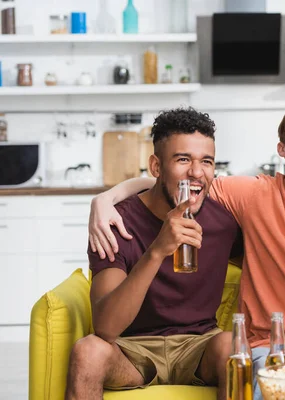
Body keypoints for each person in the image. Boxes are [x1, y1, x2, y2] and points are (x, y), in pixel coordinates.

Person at [88, 97, 285, 400]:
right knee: (252, 376)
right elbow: (182, 181)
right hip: (268, 350)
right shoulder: (252, 194)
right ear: (282, 149)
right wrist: (107, 197)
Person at [65, 108, 242, 400]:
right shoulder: (116, 223)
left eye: (206, 162)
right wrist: (158, 250)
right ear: (156, 166)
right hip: (132, 350)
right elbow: (107, 328)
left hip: (199, 347)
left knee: (233, 347)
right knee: (89, 351)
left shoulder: (223, 221)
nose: (196, 173)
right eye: (183, 159)